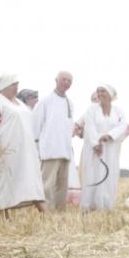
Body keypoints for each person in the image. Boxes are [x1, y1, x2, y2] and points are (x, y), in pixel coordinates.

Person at [0, 73, 46, 214]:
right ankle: (4, 214)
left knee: (31, 179)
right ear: (4, 86)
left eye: (17, 84)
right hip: (7, 150)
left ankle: (43, 209)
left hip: (26, 150)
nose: (16, 88)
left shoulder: (20, 104)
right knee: (7, 181)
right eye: (12, 85)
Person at [80, 84, 128, 212]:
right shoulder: (92, 109)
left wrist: (110, 135)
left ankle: (105, 206)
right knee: (93, 173)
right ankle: (89, 206)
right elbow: (89, 127)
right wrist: (96, 144)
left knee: (109, 173)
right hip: (93, 146)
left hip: (111, 146)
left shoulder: (118, 111)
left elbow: (123, 126)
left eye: (103, 91)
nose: (100, 94)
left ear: (110, 94)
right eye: (98, 91)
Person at [32, 71, 75, 210]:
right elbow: (35, 126)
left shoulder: (70, 103)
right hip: (49, 150)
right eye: (63, 79)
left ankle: (59, 213)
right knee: (47, 185)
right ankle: (45, 213)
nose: (66, 83)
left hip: (65, 151)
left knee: (62, 187)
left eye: (69, 81)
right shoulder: (45, 101)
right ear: (56, 80)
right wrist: (38, 148)